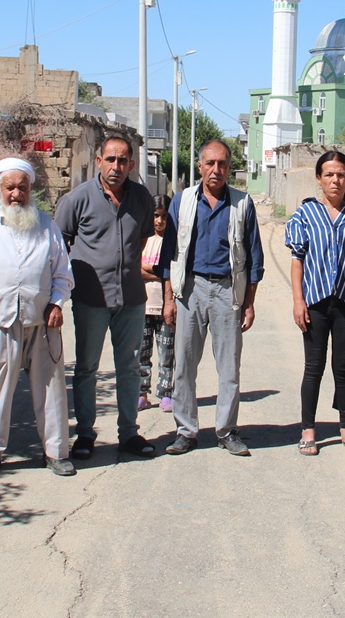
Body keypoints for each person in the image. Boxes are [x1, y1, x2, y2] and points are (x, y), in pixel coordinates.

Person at [0, 158, 76, 477]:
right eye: (9, 187)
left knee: (51, 392)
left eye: (22, 188)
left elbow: (63, 274)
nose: (16, 194)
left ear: (30, 190)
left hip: (42, 324)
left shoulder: (47, 225)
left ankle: (55, 452)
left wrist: (56, 303)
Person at [54, 135, 157, 460]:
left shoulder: (141, 198)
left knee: (129, 367)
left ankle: (129, 434)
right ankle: (85, 435)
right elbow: (59, 246)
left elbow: (140, 242)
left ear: (132, 164)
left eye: (123, 160)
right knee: (86, 368)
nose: (116, 166)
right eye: (110, 159)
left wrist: (122, 268)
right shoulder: (77, 199)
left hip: (130, 298)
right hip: (90, 299)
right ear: (99, 161)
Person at [163, 140, 264, 457]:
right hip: (190, 289)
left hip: (226, 292)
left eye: (222, 164)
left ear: (229, 167)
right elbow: (169, 255)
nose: (216, 170)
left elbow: (254, 259)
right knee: (184, 366)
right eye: (210, 163)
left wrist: (248, 302)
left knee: (229, 368)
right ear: (200, 166)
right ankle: (186, 431)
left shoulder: (243, 204)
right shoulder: (182, 201)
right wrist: (169, 299)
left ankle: (226, 430)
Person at [285, 150, 345, 456]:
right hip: (315, 301)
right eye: (329, 174)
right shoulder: (305, 215)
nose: (335, 180)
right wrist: (298, 301)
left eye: (341, 174)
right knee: (313, 368)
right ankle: (308, 429)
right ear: (318, 178)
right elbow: (297, 260)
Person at [138, 195, 176, 414]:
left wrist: (152, 270)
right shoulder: (143, 239)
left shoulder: (172, 241)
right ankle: (141, 393)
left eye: (164, 216)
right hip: (143, 305)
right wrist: (160, 273)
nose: (159, 221)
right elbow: (136, 267)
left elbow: (172, 269)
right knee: (142, 352)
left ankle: (166, 394)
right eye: (155, 216)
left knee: (166, 354)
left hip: (166, 307)